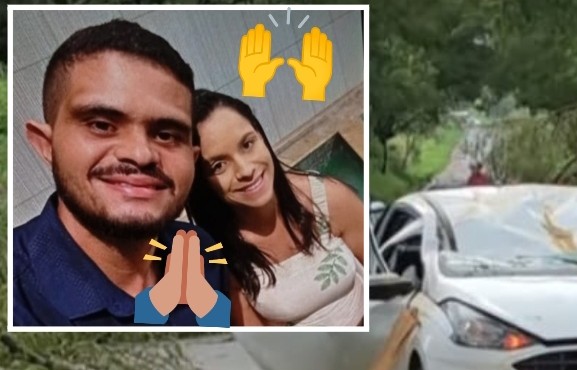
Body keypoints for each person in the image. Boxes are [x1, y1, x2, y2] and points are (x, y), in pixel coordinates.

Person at [12, 19, 228, 326]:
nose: (140, 154)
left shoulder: (202, 252)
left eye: (166, 134)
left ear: (192, 159)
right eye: (101, 125)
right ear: (47, 145)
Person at [185, 90, 367, 327]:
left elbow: (386, 280)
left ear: (262, 137)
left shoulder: (327, 199)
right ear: (202, 182)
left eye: (248, 144)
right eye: (219, 165)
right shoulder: (224, 257)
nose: (246, 170)